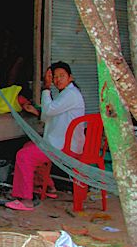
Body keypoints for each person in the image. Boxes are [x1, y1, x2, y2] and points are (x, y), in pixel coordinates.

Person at [5, 61, 85, 211]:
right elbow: (52, 114)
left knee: (24, 155)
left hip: (63, 148)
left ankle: (26, 200)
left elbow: (49, 111)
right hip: (64, 144)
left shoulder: (71, 94)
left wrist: (46, 88)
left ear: (70, 78)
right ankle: (47, 187)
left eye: (62, 76)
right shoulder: (67, 94)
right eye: (55, 77)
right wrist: (37, 112)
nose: (58, 79)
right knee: (28, 146)